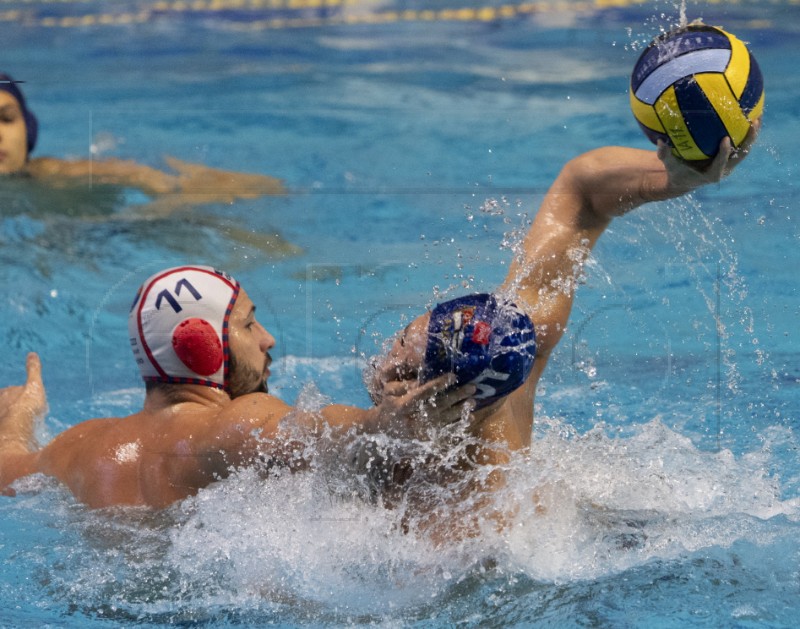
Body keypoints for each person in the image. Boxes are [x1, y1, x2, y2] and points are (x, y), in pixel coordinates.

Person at [0, 122, 759, 512]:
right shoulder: (231, 426)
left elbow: (10, 470)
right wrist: (385, 426)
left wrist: (19, 420)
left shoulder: (73, 450)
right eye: (248, 323)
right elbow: (310, 435)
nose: (268, 338)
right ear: (201, 346)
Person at [0, 73, 284, 213]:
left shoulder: (50, 172)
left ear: (29, 131)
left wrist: (178, 188)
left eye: (6, 118)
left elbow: (135, 174)